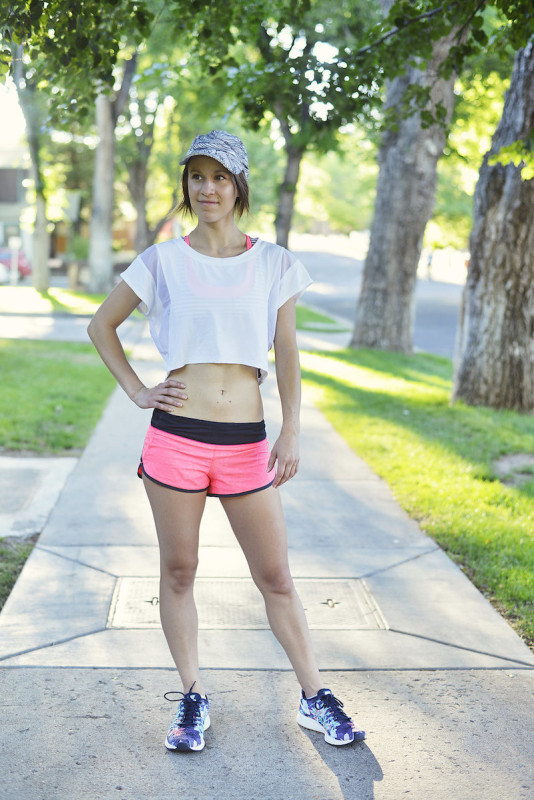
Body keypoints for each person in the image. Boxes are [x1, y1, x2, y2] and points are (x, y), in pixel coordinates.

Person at [88, 129, 365, 753]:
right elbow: (100, 324)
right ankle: (191, 695)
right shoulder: (162, 260)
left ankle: (314, 696)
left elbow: (287, 352)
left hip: (245, 441)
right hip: (175, 440)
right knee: (180, 570)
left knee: (276, 577)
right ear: (186, 186)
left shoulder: (274, 262)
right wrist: (137, 391)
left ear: (239, 185)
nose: (206, 188)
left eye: (219, 177)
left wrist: (291, 428)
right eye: (196, 177)